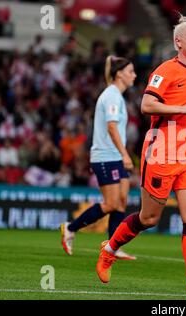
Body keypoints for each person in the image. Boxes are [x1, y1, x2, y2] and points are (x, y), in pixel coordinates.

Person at [95, 14, 186, 298]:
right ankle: (110, 250)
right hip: (161, 150)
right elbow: (147, 105)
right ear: (178, 43)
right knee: (149, 219)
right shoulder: (165, 70)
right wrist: (183, 109)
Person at [60, 56, 137, 260]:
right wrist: (125, 154)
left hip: (114, 156)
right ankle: (70, 227)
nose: (134, 75)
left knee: (121, 202)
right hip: (106, 156)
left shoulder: (116, 95)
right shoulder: (112, 95)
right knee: (112, 203)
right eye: (131, 71)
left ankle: (112, 247)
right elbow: (112, 128)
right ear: (119, 74)